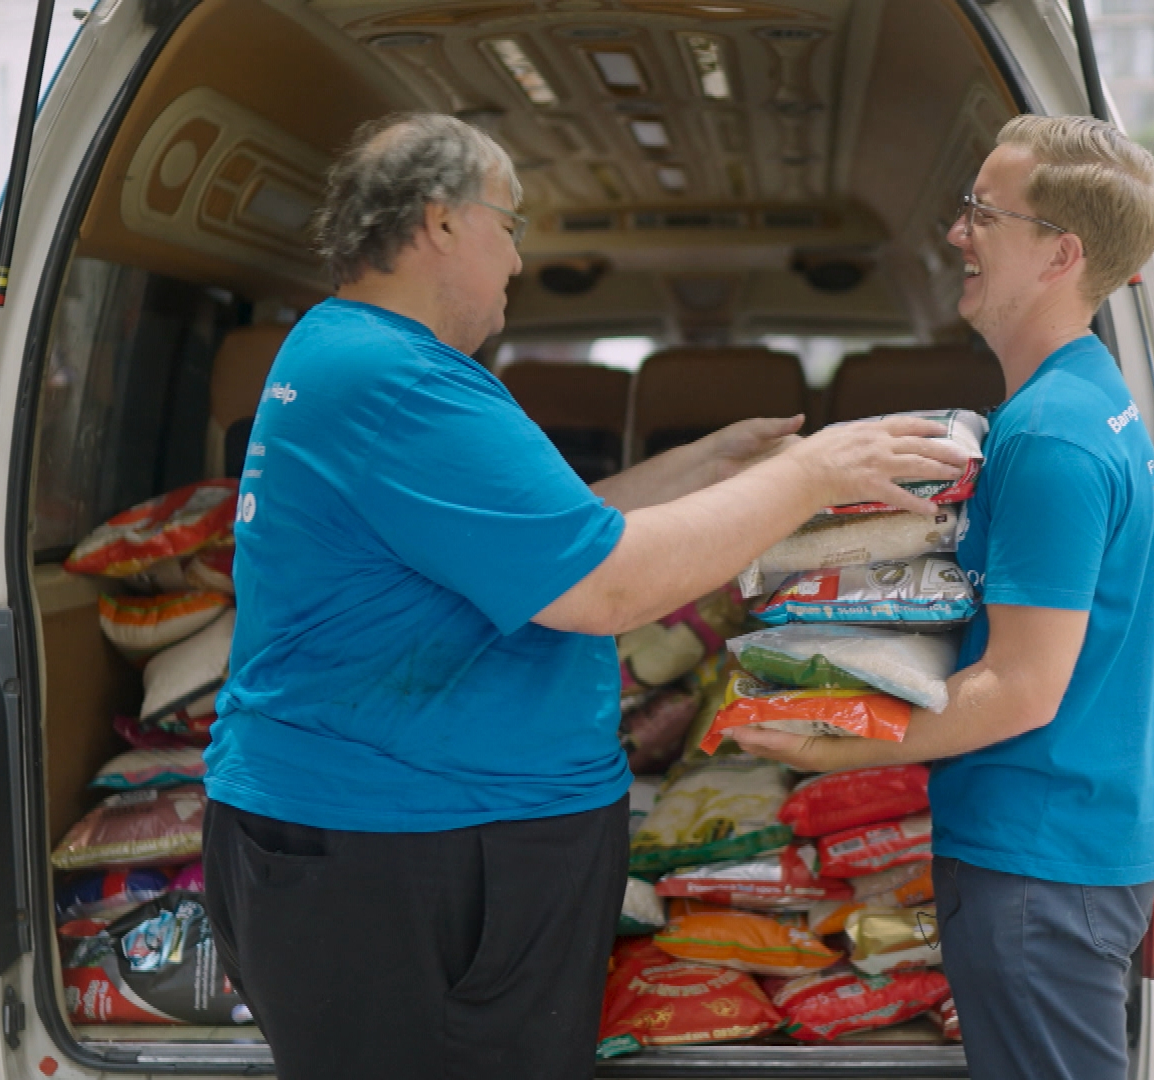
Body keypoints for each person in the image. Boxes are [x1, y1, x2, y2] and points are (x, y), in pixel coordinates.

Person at [198, 112, 969, 1080]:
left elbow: (545, 538)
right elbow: (603, 585)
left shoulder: (363, 358)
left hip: (412, 844)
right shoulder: (397, 382)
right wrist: (812, 473)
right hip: (399, 855)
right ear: (439, 222)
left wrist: (703, 466)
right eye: (509, 224)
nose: (518, 262)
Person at [735, 114, 1154, 1080]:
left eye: (984, 212)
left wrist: (823, 747)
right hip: (1074, 837)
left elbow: (1022, 689)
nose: (956, 233)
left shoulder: (1050, 437)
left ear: (1060, 254)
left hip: (1041, 855)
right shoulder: (1082, 396)